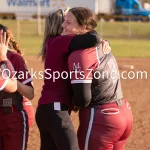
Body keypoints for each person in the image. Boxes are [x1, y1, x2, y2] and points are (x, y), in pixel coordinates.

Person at [36, 9, 111, 150]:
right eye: (64, 21)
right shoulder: (59, 41)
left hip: (47, 110)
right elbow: (91, 39)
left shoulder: (53, 43)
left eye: (68, 22)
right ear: (58, 26)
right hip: (55, 110)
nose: (65, 24)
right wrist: (100, 39)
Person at [67, 7, 133, 150]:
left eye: (68, 23)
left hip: (102, 119)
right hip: (123, 112)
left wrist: (69, 105)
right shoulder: (100, 45)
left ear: (82, 27)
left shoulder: (81, 53)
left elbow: (82, 99)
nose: (63, 26)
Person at [0, 24, 34, 150]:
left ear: (5, 40)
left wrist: (11, 79)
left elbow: (30, 93)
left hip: (12, 115)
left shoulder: (15, 59)